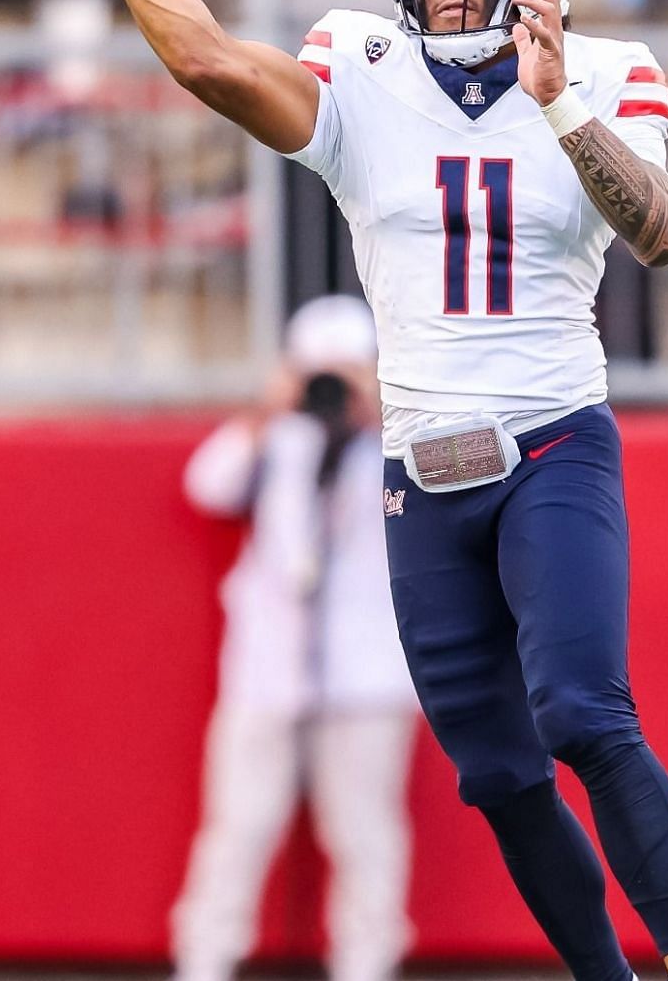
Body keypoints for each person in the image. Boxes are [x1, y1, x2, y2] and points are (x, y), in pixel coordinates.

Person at [20, 0, 668, 981]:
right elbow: (203, 59)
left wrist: (556, 108)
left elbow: (664, 233)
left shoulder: (609, 70)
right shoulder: (359, 61)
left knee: (586, 712)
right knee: (494, 771)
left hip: (553, 440)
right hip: (421, 466)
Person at [170, 295, 417, 981]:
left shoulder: (397, 440)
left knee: (367, 836)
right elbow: (208, 485)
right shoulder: (276, 436)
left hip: (367, 672)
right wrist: (267, 410)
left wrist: (388, 412)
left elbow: (453, 480)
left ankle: (367, 967)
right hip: (268, 670)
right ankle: (203, 963)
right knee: (238, 831)